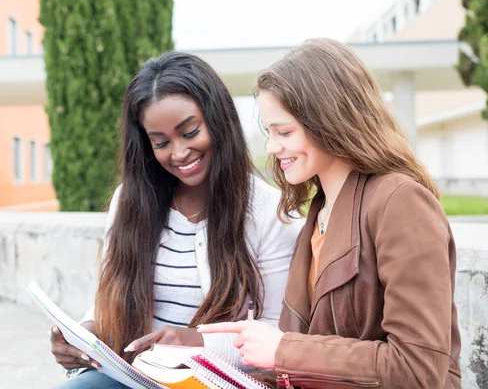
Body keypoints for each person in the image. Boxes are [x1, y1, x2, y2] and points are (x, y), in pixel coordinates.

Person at [198, 38, 462, 388]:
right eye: (269, 132)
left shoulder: (400, 201)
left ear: (328, 121)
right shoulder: (319, 210)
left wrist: (283, 350)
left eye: (284, 131)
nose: (273, 147)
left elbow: (415, 368)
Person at [49, 51, 300, 388]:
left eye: (190, 132)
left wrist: (197, 341)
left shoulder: (269, 211)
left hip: (213, 379)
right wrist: (85, 335)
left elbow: (277, 331)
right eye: (162, 142)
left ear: (217, 120)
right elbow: (107, 301)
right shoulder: (129, 201)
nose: (179, 153)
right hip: (136, 374)